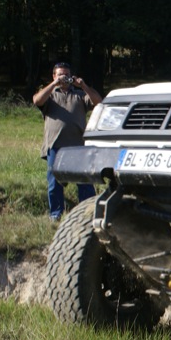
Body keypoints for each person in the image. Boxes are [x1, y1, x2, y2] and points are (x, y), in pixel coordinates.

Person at [33, 62, 102, 221]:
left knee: (84, 182)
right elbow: (37, 101)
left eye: (66, 75)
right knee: (54, 183)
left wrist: (84, 86)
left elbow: (98, 102)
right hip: (55, 146)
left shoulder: (79, 95)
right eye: (60, 74)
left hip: (78, 147)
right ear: (54, 76)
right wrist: (53, 84)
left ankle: (87, 214)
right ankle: (56, 215)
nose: (64, 78)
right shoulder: (50, 95)